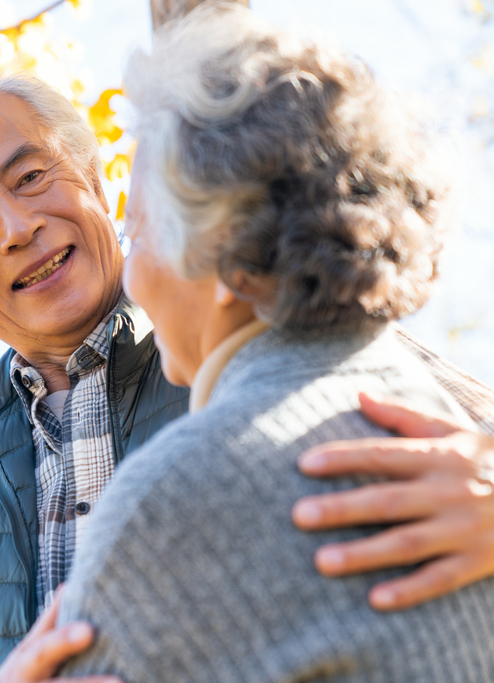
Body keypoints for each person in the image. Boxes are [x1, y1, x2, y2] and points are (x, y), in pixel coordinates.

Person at [0, 48, 494, 683]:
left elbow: (441, 416)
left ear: (94, 176)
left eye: (30, 176)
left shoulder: (260, 329)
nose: (16, 226)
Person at [57, 4, 494, 680]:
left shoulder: (178, 498)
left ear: (226, 254)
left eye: (138, 232)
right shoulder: (466, 444)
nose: (131, 272)